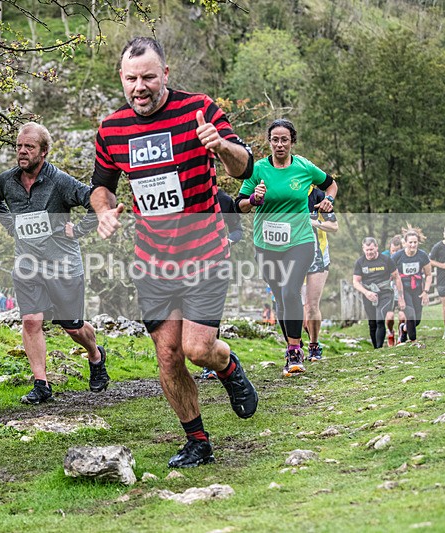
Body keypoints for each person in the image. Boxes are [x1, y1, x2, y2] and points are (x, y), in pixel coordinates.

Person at [90, 37, 258, 468]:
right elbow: (102, 186)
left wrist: (221, 147)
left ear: (166, 74)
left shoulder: (199, 109)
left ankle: (228, 367)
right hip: (152, 261)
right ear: (121, 79)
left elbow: (245, 166)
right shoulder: (111, 129)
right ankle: (198, 441)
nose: (140, 87)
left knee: (197, 350)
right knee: (167, 354)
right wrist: (104, 211)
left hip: (204, 253)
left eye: (148, 76)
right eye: (131, 79)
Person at [0, 121, 109, 404]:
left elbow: (95, 202)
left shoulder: (60, 182)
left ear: (44, 151)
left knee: (73, 327)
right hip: (27, 264)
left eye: (29, 146)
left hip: (63, 265)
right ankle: (41, 384)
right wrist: (10, 225)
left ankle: (95, 354)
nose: (22, 151)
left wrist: (78, 230)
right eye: (19, 146)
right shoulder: (7, 181)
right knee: (31, 320)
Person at [237, 119, 338, 377]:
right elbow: (239, 205)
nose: (279, 144)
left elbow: (331, 183)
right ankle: (293, 343)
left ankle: (294, 350)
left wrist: (328, 200)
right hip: (266, 243)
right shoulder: (258, 169)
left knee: (292, 290)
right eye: (275, 140)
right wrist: (253, 199)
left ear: (292, 141)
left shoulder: (304, 167)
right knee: (281, 295)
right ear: (269, 142)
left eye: (284, 140)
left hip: (301, 240)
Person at [201, 188, 243, 380]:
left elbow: (237, 230)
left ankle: (209, 363)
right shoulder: (183, 195)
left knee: (209, 312)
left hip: (216, 263)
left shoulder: (223, 199)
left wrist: (228, 240)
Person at [301, 185, 338, 362]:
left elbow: (334, 226)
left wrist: (314, 222)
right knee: (298, 310)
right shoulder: (284, 192)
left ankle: (314, 346)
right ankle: (296, 344)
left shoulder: (317, 195)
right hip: (292, 255)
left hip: (318, 255)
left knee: (312, 305)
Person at [352, 237, 406, 348]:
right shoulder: (360, 262)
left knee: (380, 320)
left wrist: (400, 297)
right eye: (367, 250)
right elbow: (356, 282)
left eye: (371, 249)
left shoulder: (386, 260)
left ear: (376, 247)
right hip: (369, 294)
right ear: (363, 249)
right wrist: (366, 293)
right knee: (372, 323)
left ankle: (380, 348)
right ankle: (376, 348)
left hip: (385, 293)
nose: (369, 252)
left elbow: (397, 277)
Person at [392, 230, 433, 343]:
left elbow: (429, 275)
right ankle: (413, 341)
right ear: (405, 243)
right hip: (403, 289)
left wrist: (425, 292)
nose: (413, 245)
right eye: (410, 242)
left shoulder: (422, 255)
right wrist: (399, 296)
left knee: (417, 320)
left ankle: (403, 329)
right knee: (410, 315)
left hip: (418, 288)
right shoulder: (397, 256)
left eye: (415, 242)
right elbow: (391, 275)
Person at [383, 235, 404, 345]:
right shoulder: (384, 257)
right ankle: (390, 332)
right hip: (389, 290)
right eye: (393, 251)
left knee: (402, 315)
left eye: (397, 251)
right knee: (390, 316)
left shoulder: (404, 257)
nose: (394, 253)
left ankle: (401, 335)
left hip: (401, 289)